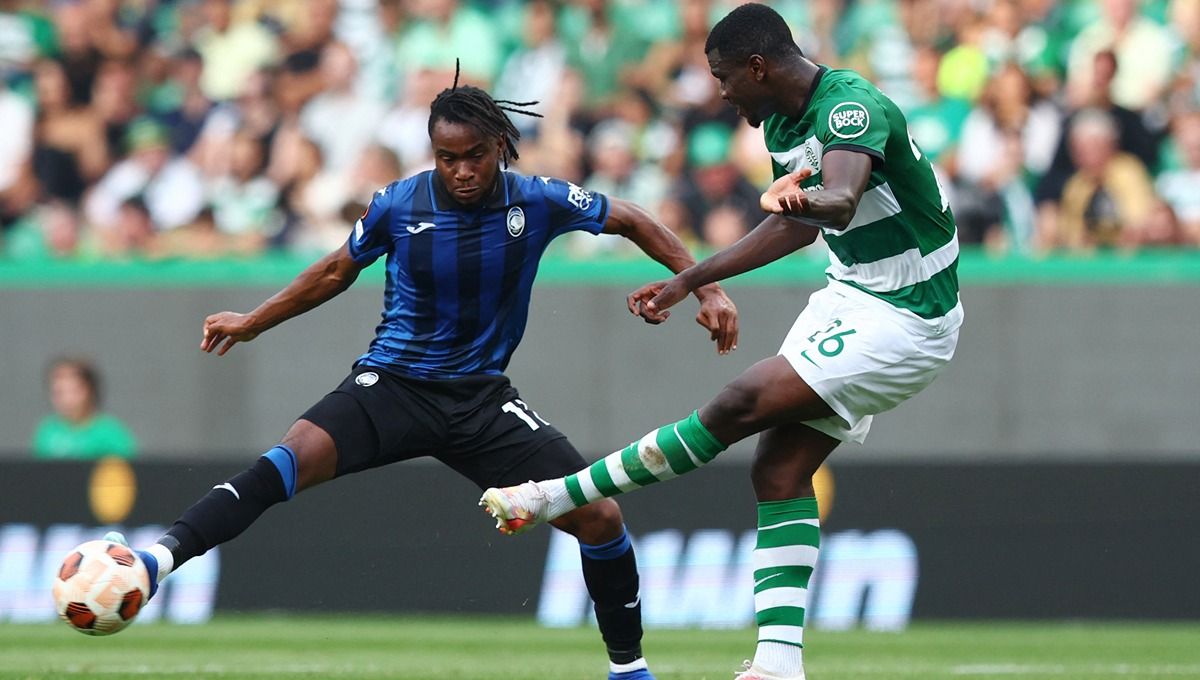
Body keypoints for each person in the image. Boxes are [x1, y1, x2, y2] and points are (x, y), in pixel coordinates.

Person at [103, 73, 739, 680]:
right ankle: (156, 562)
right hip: (394, 386)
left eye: (474, 156)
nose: (461, 171)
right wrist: (254, 321)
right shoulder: (399, 203)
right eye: (446, 157)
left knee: (599, 518)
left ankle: (628, 668)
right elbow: (333, 271)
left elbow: (630, 217)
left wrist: (701, 286)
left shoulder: (538, 200)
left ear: (499, 147)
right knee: (286, 461)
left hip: (482, 403)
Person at [479, 5, 964, 680]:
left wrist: (797, 201)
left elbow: (840, 202)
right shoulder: (786, 121)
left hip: (909, 312)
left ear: (759, 67)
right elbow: (796, 227)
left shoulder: (851, 108)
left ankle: (556, 496)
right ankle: (776, 665)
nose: (724, 93)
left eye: (726, 78)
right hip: (852, 293)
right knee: (779, 470)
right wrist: (692, 280)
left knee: (741, 400)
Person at [32, 357, 137, 460]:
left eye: (74, 391)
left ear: (90, 390)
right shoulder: (47, 431)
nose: (67, 400)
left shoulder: (110, 433)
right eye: (59, 392)